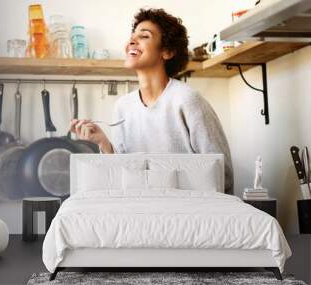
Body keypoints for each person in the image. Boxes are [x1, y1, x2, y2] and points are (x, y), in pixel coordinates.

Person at [70, 8, 234, 194]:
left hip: (188, 211)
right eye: (132, 36)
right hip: (142, 211)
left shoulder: (187, 100)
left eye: (144, 36)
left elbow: (222, 174)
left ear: (167, 52)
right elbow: (123, 175)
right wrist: (103, 142)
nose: (132, 41)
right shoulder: (123, 107)